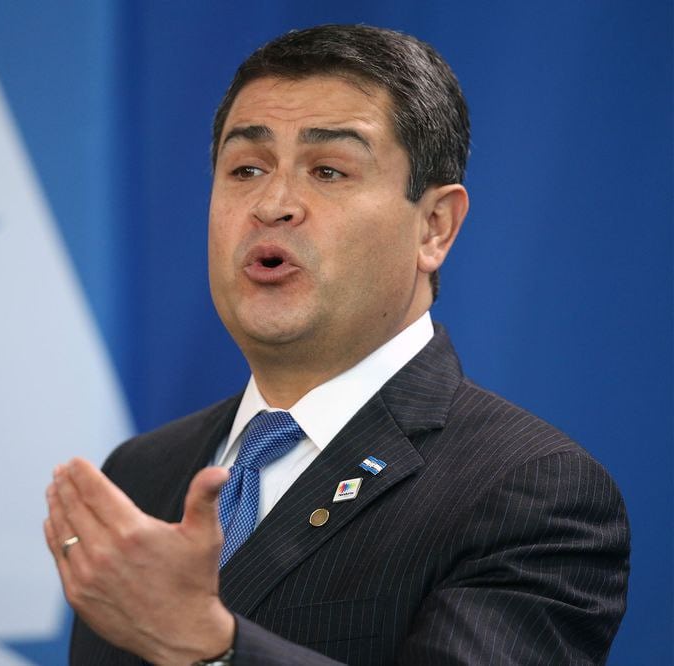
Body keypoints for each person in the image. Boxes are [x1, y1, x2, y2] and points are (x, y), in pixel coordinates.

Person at [44, 24, 630, 665]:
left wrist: (212, 649)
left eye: (328, 170)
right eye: (245, 168)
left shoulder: (530, 491)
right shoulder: (141, 471)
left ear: (434, 227)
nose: (273, 203)